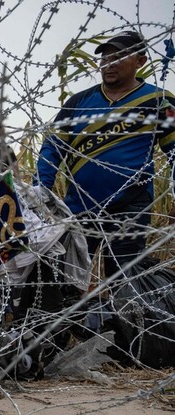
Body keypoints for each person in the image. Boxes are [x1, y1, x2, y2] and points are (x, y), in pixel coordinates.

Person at [36, 30, 175, 277]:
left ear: (140, 61)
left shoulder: (158, 101)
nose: (109, 65)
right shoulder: (79, 102)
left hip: (131, 204)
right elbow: (52, 147)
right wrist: (40, 191)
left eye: (119, 57)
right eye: (105, 58)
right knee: (68, 279)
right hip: (80, 206)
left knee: (123, 280)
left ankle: (120, 314)